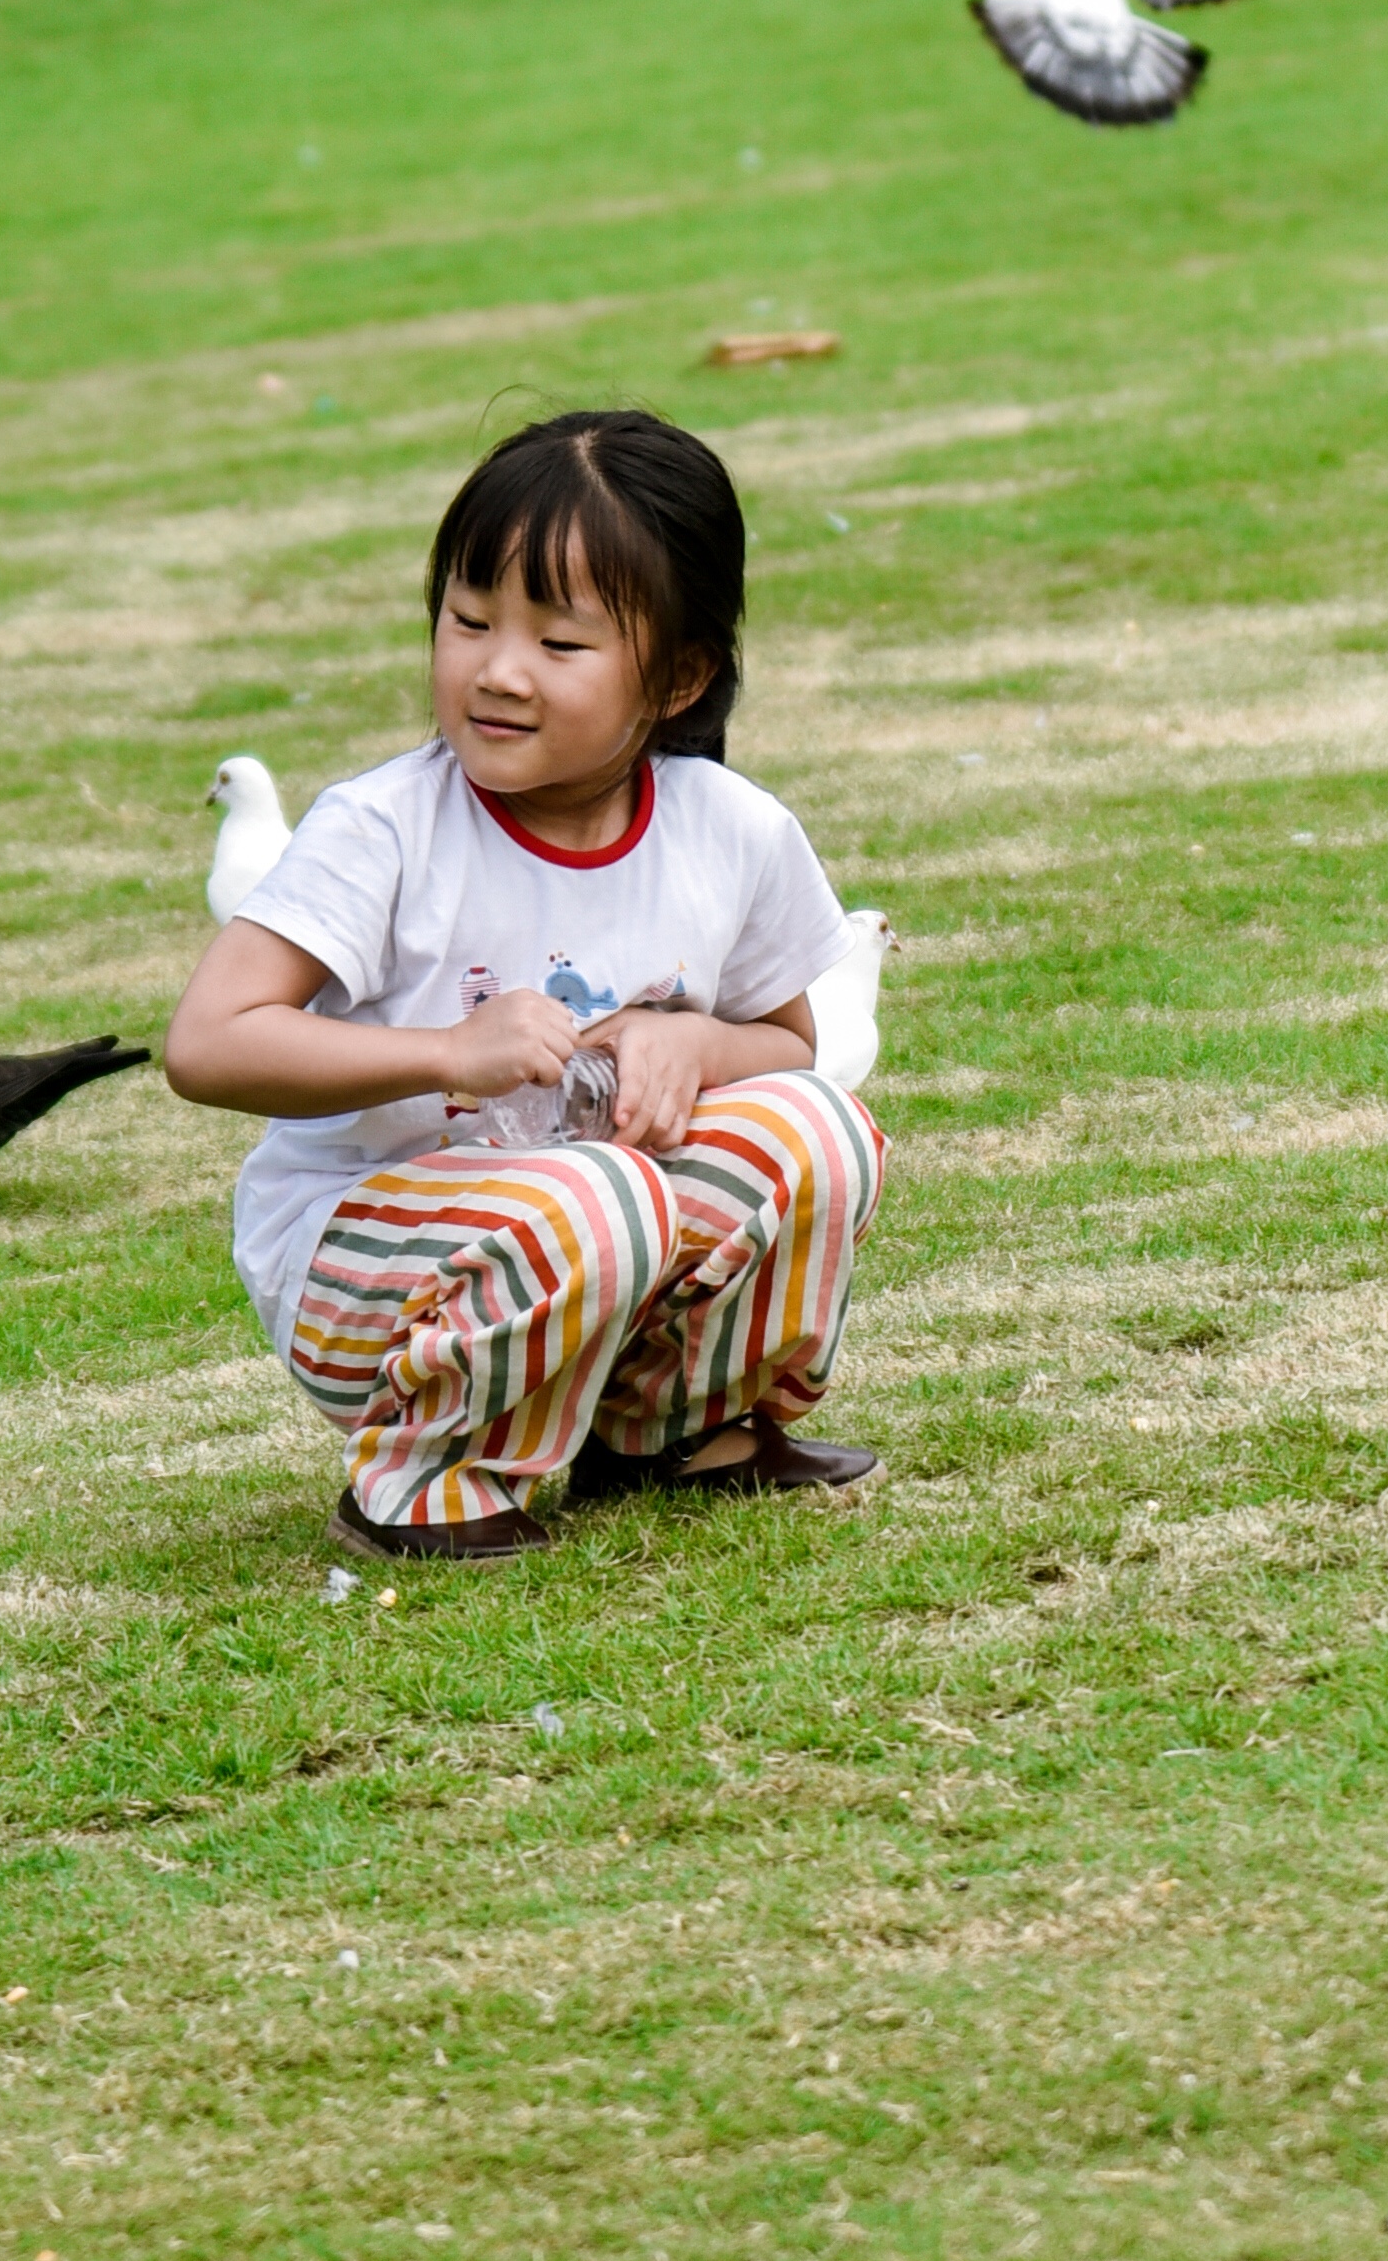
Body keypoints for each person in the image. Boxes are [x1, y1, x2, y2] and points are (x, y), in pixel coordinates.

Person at [163, 407, 887, 1566]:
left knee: (816, 1130)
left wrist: (694, 1044)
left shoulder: (730, 830)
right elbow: (208, 1044)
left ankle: (670, 1433)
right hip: (370, 1269)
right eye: (467, 619)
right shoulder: (385, 828)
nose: (496, 670)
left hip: (596, 1243)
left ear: (681, 674)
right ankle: (424, 1478)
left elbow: (788, 1043)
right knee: (596, 1195)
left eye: (559, 644)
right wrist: (446, 1055)